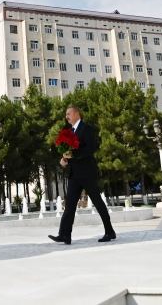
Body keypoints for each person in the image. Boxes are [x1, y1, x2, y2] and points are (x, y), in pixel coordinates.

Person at [48, 105, 116, 245]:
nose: (66, 117)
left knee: (97, 202)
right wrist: (64, 159)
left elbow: (90, 149)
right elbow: (68, 151)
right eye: (66, 114)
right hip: (74, 174)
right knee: (70, 205)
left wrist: (73, 155)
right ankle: (64, 235)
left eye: (68, 114)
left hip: (87, 173)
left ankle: (110, 232)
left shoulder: (87, 129)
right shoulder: (69, 131)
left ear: (77, 113)